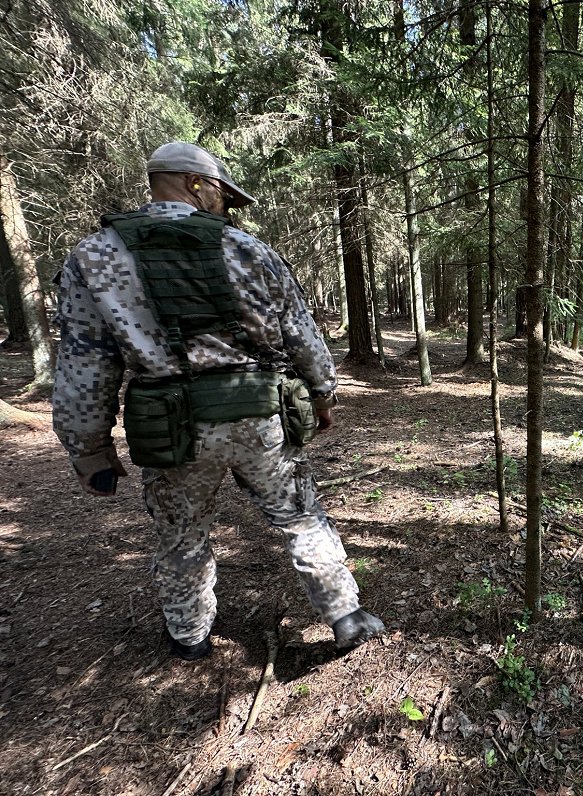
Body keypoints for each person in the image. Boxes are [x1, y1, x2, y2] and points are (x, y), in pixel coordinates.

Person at [52, 142, 384, 660]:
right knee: (299, 516)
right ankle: (344, 613)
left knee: (182, 534)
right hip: (259, 414)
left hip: (173, 428)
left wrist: (89, 449)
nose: (224, 207)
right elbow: (301, 335)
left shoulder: (94, 257)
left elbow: (84, 366)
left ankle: (189, 636)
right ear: (194, 183)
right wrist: (323, 394)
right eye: (223, 195)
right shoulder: (248, 249)